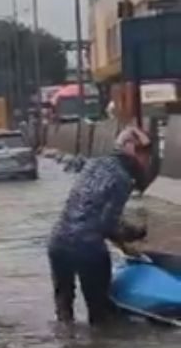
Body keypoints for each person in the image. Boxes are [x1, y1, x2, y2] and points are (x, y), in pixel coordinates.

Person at [48, 125, 152, 325]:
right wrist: (133, 235)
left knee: (63, 311)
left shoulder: (93, 164)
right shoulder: (122, 179)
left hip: (58, 241)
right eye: (145, 156)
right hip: (87, 247)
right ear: (132, 152)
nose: (146, 162)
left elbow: (88, 210)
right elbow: (107, 223)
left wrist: (123, 240)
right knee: (100, 314)